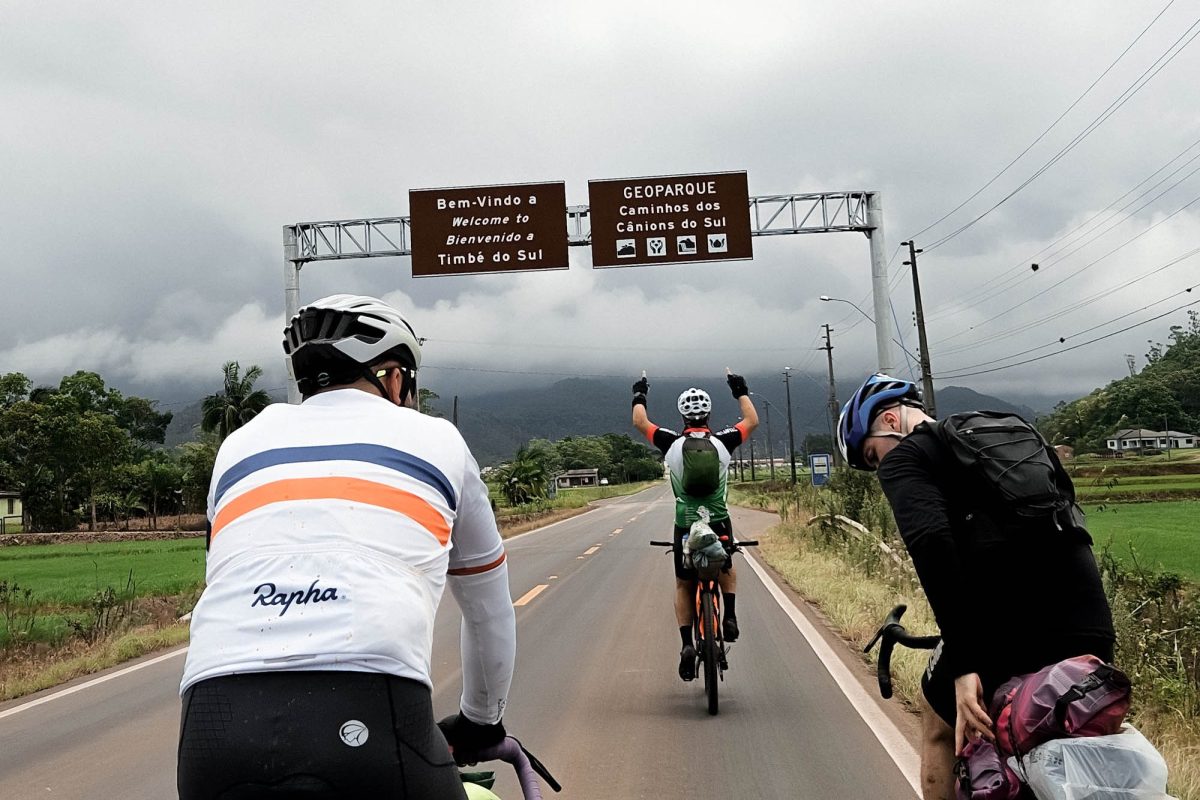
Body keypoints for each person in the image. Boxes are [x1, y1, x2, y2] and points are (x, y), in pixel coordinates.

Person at [178, 295, 516, 799]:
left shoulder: (238, 445)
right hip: (371, 716)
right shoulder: (438, 438)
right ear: (394, 377)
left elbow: (222, 577)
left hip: (211, 728)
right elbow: (488, 612)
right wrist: (480, 722)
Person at [837, 373, 1115, 800]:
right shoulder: (1008, 432)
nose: (880, 468)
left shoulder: (908, 456)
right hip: (1089, 621)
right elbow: (1070, 518)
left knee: (937, 723)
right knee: (1086, 726)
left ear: (890, 419)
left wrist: (965, 665)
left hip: (1004, 630)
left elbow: (931, 545)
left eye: (873, 456)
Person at [631, 370, 759, 681]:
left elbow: (640, 422)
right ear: (708, 414)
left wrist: (640, 392)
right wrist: (739, 389)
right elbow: (751, 421)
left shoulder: (670, 444)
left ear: (682, 416)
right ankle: (729, 615)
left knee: (684, 584)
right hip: (718, 519)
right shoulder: (724, 442)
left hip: (685, 524)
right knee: (727, 565)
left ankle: (687, 644)